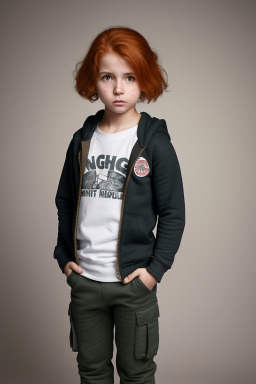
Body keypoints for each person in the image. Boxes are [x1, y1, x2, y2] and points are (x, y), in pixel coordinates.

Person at [53, 26, 186, 384]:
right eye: (107, 77)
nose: (118, 88)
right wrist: (64, 255)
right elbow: (65, 200)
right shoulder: (82, 140)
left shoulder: (154, 144)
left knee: (137, 373)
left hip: (133, 283)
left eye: (129, 77)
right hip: (85, 282)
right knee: (92, 372)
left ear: (144, 79)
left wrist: (154, 270)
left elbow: (173, 212)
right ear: (92, 82)